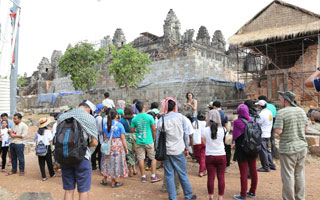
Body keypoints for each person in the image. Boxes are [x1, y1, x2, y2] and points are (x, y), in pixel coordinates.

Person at [157, 97, 196, 200]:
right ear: (175, 107)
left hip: (167, 151)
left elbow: (158, 138)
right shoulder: (181, 117)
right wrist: (187, 148)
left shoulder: (161, 120)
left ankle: (173, 198)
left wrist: (158, 150)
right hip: (179, 150)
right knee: (182, 174)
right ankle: (188, 195)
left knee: (169, 175)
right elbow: (186, 135)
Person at [57, 100, 98, 200]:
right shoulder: (88, 117)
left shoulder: (63, 117)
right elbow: (95, 142)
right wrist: (83, 145)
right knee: (83, 191)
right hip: (82, 157)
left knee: (68, 190)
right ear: (89, 109)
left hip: (64, 156)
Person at [274, 91, 308, 200]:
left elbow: (278, 131)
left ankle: (289, 198)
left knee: (288, 175)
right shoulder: (301, 111)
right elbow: (306, 129)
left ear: (286, 100)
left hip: (288, 149)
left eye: (281, 98)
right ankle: (300, 198)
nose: (280, 100)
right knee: (300, 174)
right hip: (302, 147)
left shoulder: (281, 112)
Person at [131, 100, 161, 183]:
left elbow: (132, 130)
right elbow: (153, 129)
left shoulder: (134, 118)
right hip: (149, 140)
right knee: (153, 158)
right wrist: (154, 138)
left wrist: (138, 131)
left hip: (139, 141)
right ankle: (153, 176)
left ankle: (143, 176)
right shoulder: (149, 117)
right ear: (144, 107)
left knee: (141, 159)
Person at [233, 104, 258, 200]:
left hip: (242, 150)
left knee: (243, 172)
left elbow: (235, 136)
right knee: (253, 170)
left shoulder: (237, 122)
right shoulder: (252, 121)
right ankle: (252, 191)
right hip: (252, 148)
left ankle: (243, 194)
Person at [201, 109, 226, 200]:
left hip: (210, 156)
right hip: (221, 155)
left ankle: (211, 196)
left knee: (210, 177)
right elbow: (225, 141)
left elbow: (204, 142)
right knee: (221, 177)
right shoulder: (223, 129)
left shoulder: (204, 130)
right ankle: (220, 197)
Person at [101, 108, 128, 187]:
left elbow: (105, 136)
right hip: (117, 146)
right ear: (116, 115)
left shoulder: (105, 124)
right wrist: (126, 148)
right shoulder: (119, 125)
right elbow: (123, 138)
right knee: (115, 163)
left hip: (108, 145)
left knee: (106, 162)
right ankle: (113, 182)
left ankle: (105, 179)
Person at [255, 100, 276, 172]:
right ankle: (271, 164)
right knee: (267, 150)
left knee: (263, 151)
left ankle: (265, 166)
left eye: (258, 105)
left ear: (260, 106)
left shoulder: (262, 114)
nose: (257, 106)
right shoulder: (269, 112)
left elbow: (258, 123)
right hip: (268, 133)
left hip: (262, 134)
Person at [210, 101, 231, 169]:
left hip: (214, 132)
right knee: (225, 149)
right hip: (223, 132)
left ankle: (216, 165)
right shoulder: (224, 114)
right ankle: (226, 164)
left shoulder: (213, 113)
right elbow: (227, 126)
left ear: (214, 106)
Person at [119, 105, 137, 177]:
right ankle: (134, 168)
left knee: (128, 154)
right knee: (134, 153)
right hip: (135, 137)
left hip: (126, 137)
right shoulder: (135, 119)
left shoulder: (122, 120)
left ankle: (130, 171)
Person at [192, 111, 207, 177]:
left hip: (197, 140)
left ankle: (201, 170)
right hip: (205, 140)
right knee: (203, 156)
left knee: (196, 155)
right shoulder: (206, 123)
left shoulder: (195, 123)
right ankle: (203, 168)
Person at [92, 104, 104, 171]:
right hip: (99, 136)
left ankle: (93, 165)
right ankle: (100, 166)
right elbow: (100, 129)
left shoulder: (93, 116)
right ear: (101, 110)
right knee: (99, 152)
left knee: (93, 151)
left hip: (94, 135)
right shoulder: (99, 118)